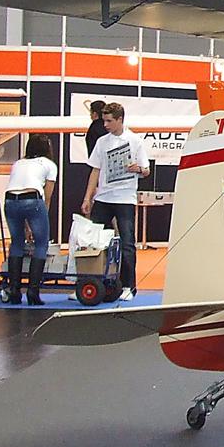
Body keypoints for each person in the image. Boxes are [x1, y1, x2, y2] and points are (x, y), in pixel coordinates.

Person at [81, 102, 147, 300]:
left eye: (109, 121)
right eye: (104, 121)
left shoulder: (135, 140)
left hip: (125, 198)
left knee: (127, 242)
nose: (106, 125)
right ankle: (90, 283)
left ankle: (129, 286)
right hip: (103, 197)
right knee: (92, 241)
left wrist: (139, 169)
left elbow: (146, 170)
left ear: (120, 120)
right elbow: (95, 170)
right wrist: (88, 197)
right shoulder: (102, 142)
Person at [2, 133, 56, 307]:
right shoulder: (49, 165)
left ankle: (14, 291)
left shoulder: (18, 163)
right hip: (33, 199)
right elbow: (47, 197)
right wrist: (40, 219)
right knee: (41, 244)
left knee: (17, 243)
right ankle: (33, 291)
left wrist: (27, 227)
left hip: (10, 200)